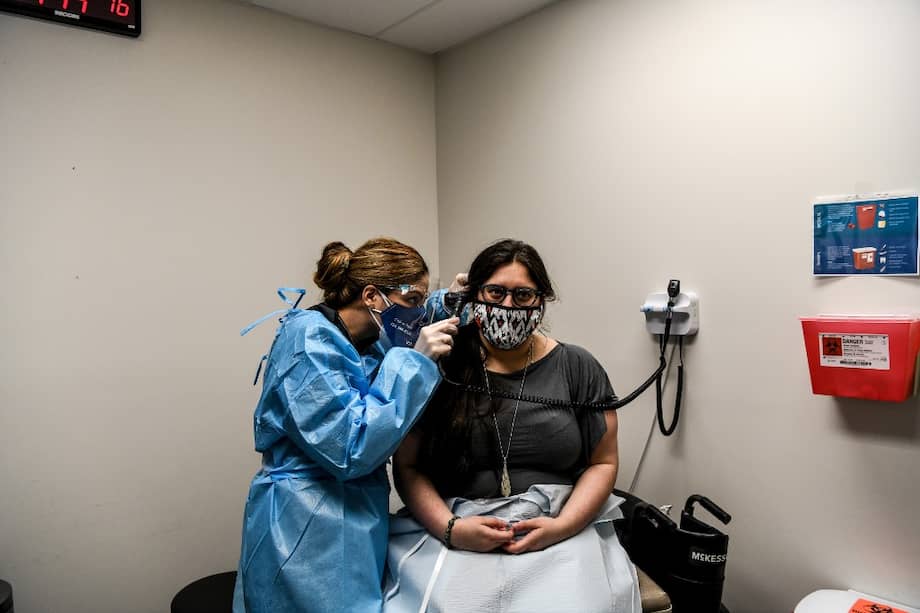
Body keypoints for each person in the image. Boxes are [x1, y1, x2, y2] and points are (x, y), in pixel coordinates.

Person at [383, 239, 641, 613]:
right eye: (495, 292)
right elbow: (408, 467)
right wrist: (451, 529)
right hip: (457, 524)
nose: (508, 306)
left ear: (542, 300)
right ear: (472, 296)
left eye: (522, 295)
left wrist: (563, 526)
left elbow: (603, 462)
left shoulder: (577, 366)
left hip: (558, 525)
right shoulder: (441, 365)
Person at [232, 238, 461, 613]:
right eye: (414, 300)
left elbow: (406, 320)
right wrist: (416, 362)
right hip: (304, 524)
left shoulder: (367, 337)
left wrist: (447, 301)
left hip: (355, 515)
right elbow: (351, 447)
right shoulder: (307, 343)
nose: (419, 314)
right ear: (371, 296)